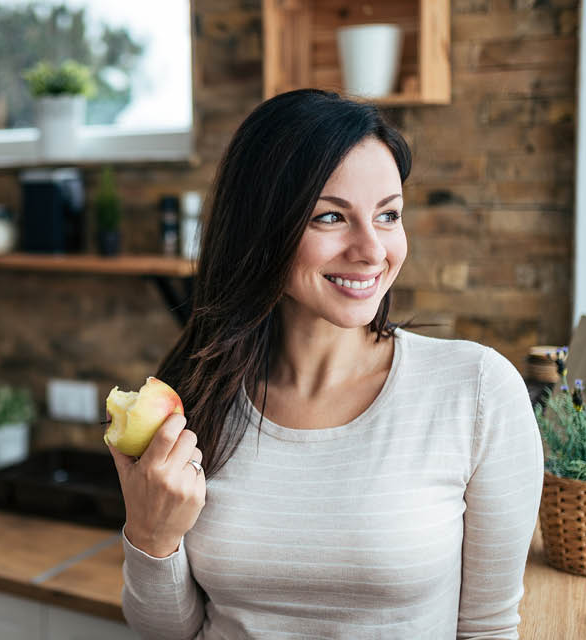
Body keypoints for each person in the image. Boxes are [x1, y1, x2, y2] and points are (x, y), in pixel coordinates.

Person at [105, 89, 544, 639]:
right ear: (263, 229)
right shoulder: (194, 399)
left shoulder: (477, 391)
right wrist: (149, 535)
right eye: (331, 217)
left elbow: (487, 629)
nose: (371, 249)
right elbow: (169, 631)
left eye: (388, 215)